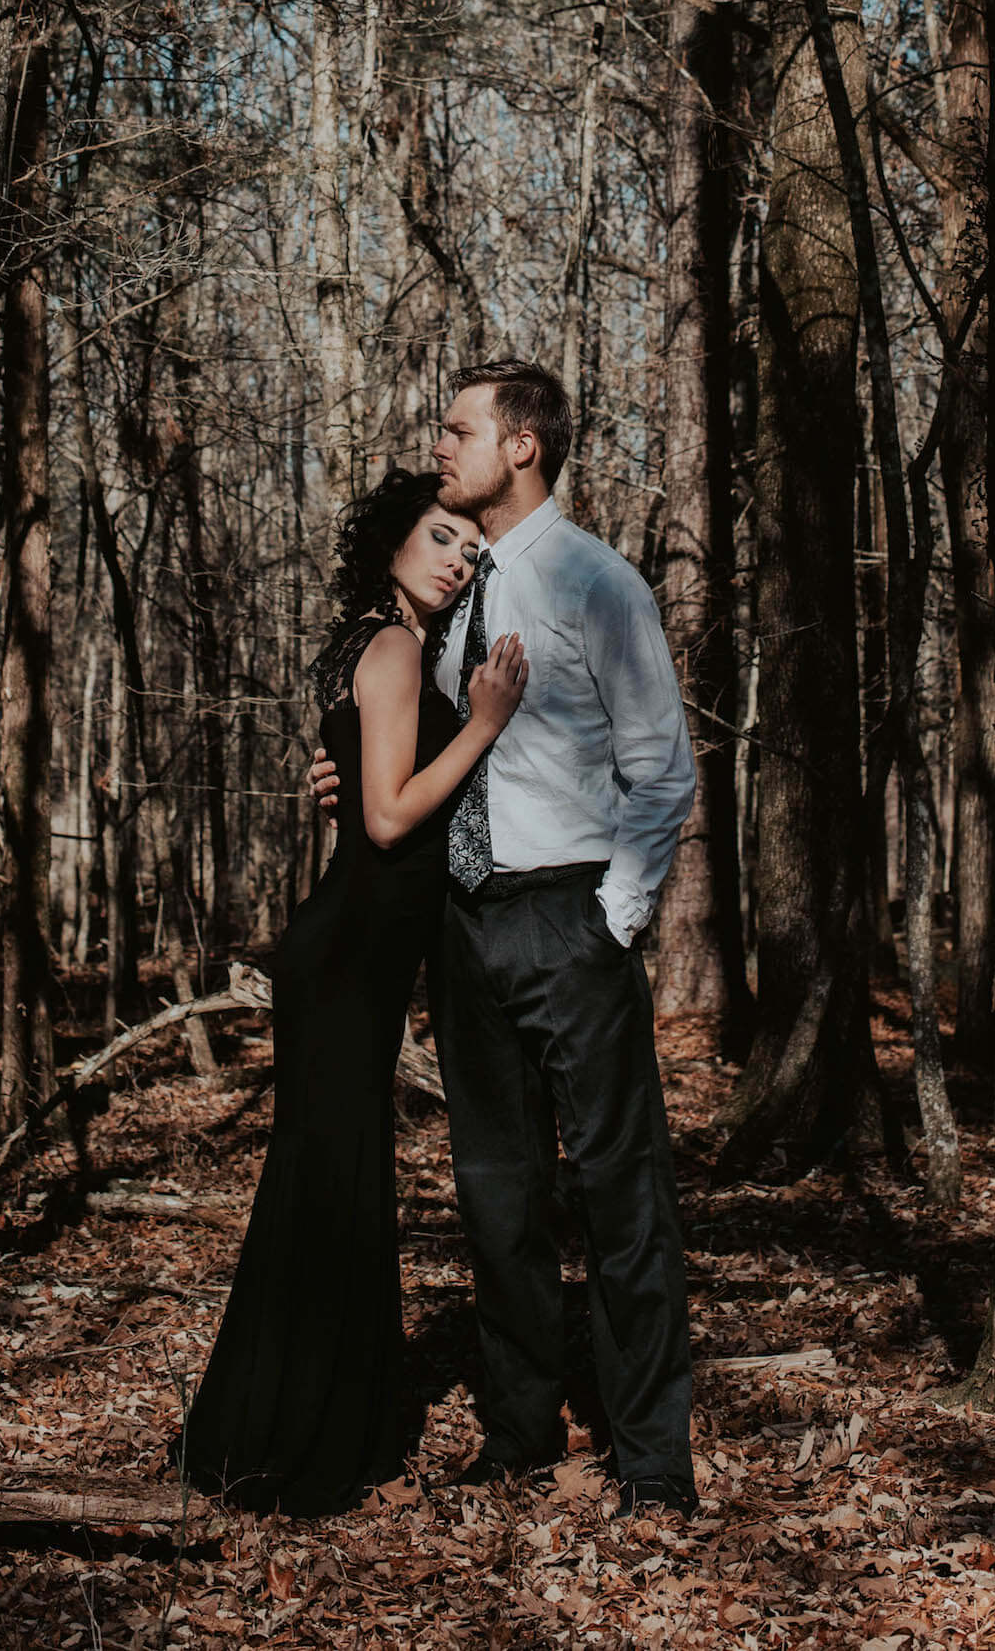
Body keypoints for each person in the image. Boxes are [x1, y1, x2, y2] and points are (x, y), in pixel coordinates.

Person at [311, 358, 699, 1516]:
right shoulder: (448, 595)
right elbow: (418, 755)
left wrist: (607, 920)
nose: (442, 444)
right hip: (460, 927)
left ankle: (650, 1462)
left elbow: (660, 769)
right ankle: (520, 1436)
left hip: (568, 915)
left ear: (522, 444)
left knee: (621, 1197)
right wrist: (346, 770)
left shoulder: (594, 583)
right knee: (496, 1197)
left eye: (460, 427)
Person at [181, 468, 529, 1516]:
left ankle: (311, 1426)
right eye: (436, 536)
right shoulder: (391, 645)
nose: (455, 558)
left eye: (468, 548)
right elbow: (383, 821)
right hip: (341, 961)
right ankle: (286, 1442)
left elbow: (356, 791)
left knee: (329, 1184)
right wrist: (485, 722)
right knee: (327, 1187)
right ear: (388, 542)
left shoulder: (376, 643)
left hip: (351, 956)